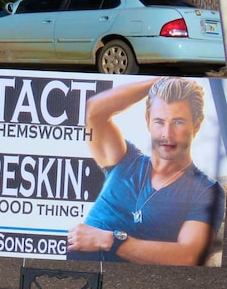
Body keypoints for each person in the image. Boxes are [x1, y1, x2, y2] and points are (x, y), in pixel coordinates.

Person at [67, 77, 225, 265]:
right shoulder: (124, 160)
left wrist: (110, 240)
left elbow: (188, 256)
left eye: (178, 121)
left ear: (196, 125)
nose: (167, 133)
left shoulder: (206, 190)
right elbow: (93, 110)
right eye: (159, 121)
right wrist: (159, 81)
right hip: (64, 272)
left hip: (125, 286)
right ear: (148, 121)